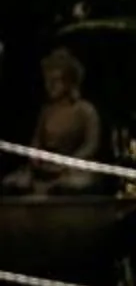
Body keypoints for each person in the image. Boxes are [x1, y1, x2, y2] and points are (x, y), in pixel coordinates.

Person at [1, 48, 110, 196]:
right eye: (47, 81)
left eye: (55, 81)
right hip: (46, 167)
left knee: (79, 182)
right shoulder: (47, 111)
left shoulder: (85, 110)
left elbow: (91, 145)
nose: (50, 86)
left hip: (74, 166)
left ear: (69, 82)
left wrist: (69, 161)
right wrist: (35, 156)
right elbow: (37, 140)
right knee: (14, 182)